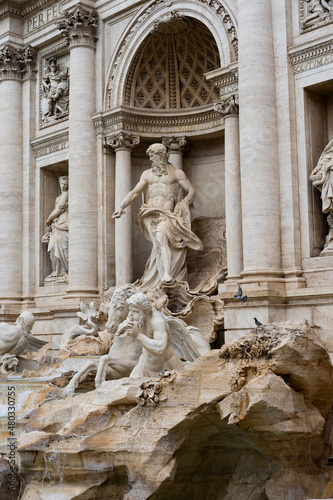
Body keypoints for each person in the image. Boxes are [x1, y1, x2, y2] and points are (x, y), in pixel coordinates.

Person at [113, 143, 203, 290]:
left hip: (167, 213)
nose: (154, 159)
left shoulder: (176, 173)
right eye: (152, 156)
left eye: (157, 155)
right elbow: (134, 192)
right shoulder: (147, 174)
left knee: (161, 239)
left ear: (164, 155)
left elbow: (192, 191)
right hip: (149, 213)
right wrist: (121, 206)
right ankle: (157, 279)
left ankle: (167, 275)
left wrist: (183, 205)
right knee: (158, 245)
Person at [116, 292, 183, 377]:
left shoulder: (157, 321)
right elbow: (122, 328)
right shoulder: (136, 315)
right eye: (131, 310)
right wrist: (121, 329)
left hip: (166, 367)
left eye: (135, 311)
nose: (131, 314)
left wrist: (138, 335)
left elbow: (160, 348)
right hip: (144, 363)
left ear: (145, 312)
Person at [41, 176, 69, 280]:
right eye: (61, 183)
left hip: (65, 223)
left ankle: (64, 270)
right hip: (57, 225)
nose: (63, 185)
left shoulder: (66, 195)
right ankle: (56, 271)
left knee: (64, 247)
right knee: (53, 246)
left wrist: (48, 220)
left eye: (65, 183)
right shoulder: (60, 196)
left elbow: (58, 210)